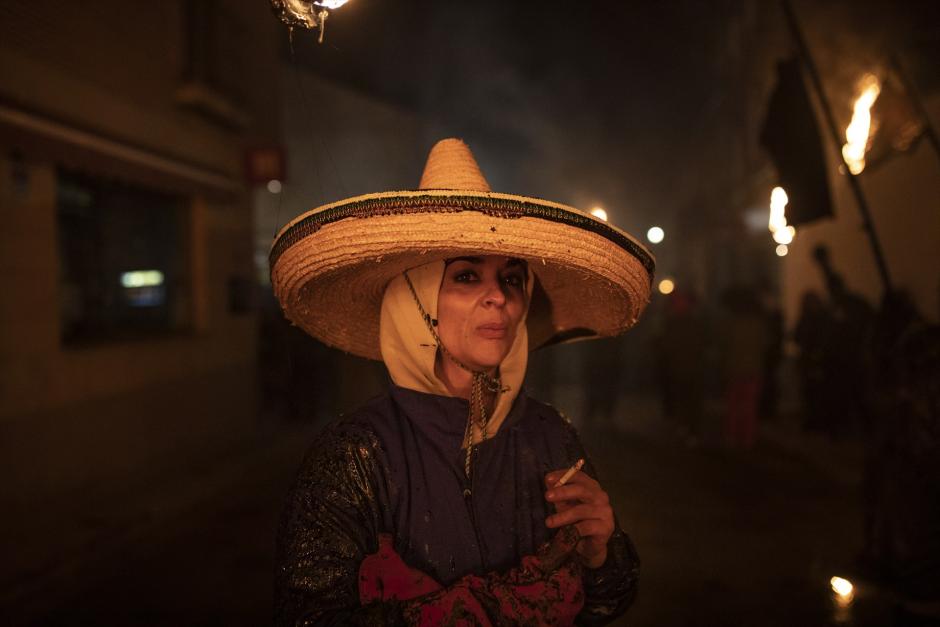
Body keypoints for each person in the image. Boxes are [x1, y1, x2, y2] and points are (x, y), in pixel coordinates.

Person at [270, 139, 654, 625]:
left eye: (512, 280)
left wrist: (603, 554)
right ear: (417, 301)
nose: (498, 297)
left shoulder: (550, 434)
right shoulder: (355, 456)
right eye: (468, 276)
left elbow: (602, 605)